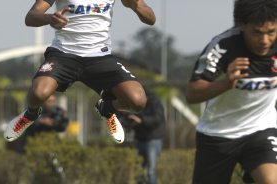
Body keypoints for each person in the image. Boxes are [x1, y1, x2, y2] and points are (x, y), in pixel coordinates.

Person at [4, 0, 156, 144]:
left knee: (138, 101)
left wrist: (136, 6)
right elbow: (30, 17)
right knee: (38, 93)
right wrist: (50, 18)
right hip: (64, 55)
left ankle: (107, 108)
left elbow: (151, 19)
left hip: (100, 57)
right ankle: (30, 115)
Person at [186, 0, 277, 183]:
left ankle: (251, 171)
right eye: (257, 33)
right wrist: (226, 83)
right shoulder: (223, 46)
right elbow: (192, 93)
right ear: (242, 25)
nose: (265, 40)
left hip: (260, 129)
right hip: (218, 134)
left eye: (271, 32)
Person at [118, 88, 165, 184]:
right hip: (140, 140)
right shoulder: (135, 105)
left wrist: (141, 120)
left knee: (150, 171)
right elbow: (129, 118)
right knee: (139, 171)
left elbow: (158, 118)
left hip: (153, 140)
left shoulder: (154, 103)